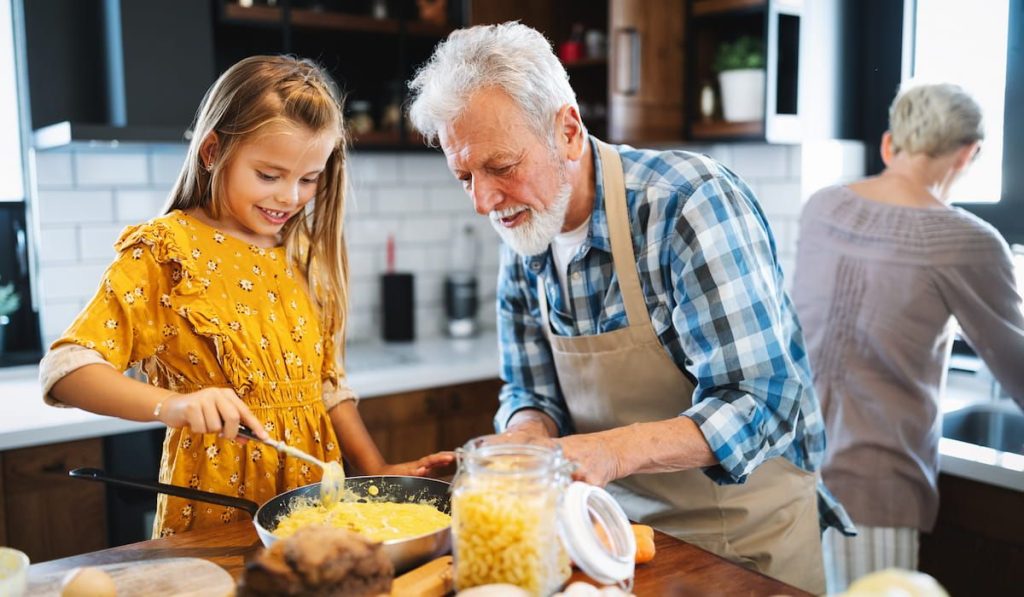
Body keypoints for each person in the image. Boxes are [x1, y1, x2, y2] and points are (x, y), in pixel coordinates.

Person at [407, 22, 853, 594]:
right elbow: (531, 392)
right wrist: (525, 440)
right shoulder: (523, 230)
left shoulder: (687, 204)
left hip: (745, 545)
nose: (483, 201)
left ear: (567, 132)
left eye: (500, 167)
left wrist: (608, 451)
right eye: (464, 176)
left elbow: (763, 399)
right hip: (616, 539)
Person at [39, 55, 453, 537]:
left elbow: (326, 388)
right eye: (269, 175)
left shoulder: (301, 253)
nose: (290, 197)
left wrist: (380, 474)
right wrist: (170, 405)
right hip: (218, 512)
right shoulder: (167, 251)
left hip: (319, 509)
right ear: (213, 151)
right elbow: (64, 370)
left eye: (308, 179)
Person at [790, 82, 1024, 592]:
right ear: (969, 154)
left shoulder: (822, 205)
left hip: (786, 480)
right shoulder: (968, 241)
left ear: (888, 145)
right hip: (874, 490)